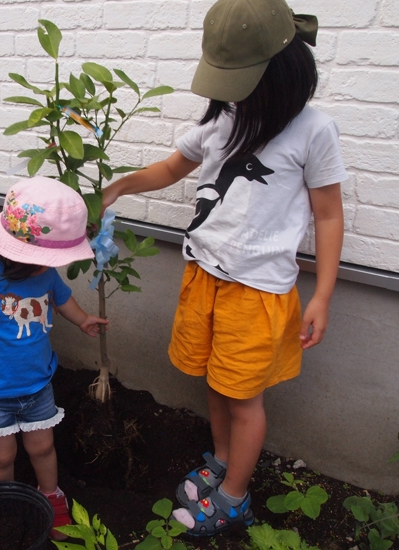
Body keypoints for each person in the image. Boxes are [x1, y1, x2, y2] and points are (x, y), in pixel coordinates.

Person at [102, 0, 346, 537]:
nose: (231, 94)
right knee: (215, 383)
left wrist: (323, 295)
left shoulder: (313, 131)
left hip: (256, 293)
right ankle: (221, 459)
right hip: (204, 277)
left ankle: (235, 495)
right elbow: (171, 167)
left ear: (281, 74)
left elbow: (328, 214)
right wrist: (118, 186)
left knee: (243, 396)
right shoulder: (223, 119)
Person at [0, 176, 109, 539]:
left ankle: (51, 496)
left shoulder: (43, 273)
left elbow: (61, 298)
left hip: (36, 384)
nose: (50, 266)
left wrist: (82, 320)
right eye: (47, 258)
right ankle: (9, 504)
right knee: (1, 457)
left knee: (43, 446)